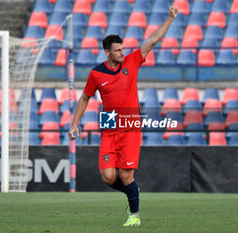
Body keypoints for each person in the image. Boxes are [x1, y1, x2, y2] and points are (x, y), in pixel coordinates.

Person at [69, 6, 178, 227]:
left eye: (123, 49)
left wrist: (169, 19)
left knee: (126, 175)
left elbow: (152, 40)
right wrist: (74, 123)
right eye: (118, 50)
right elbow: (84, 98)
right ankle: (132, 193)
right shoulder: (96, 74)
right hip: (109, 128)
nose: (122, 52)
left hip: (130, 126)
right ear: (107, 52)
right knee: (108, 177)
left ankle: (134, 216)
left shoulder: (132, 61)